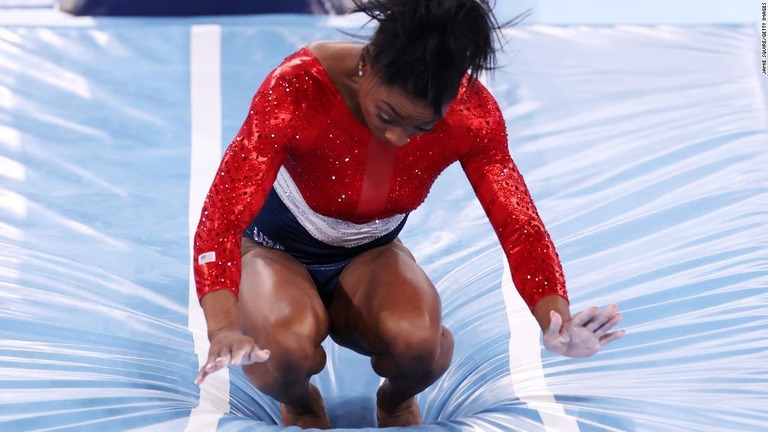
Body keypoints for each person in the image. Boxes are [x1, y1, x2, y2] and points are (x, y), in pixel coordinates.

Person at [192, 0, 625, 428]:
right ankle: (301, 404)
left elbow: (519, 223)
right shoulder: (297, 89)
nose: (399, 138)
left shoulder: (471, 114)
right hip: (274, 250)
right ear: (368, 62)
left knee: (419, 345)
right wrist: (224, 327)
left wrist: (555, 318)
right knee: (283, 351)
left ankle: (396, 403)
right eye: (387, 115)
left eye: (422, 128)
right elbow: (221, 217)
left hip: (369, 254)